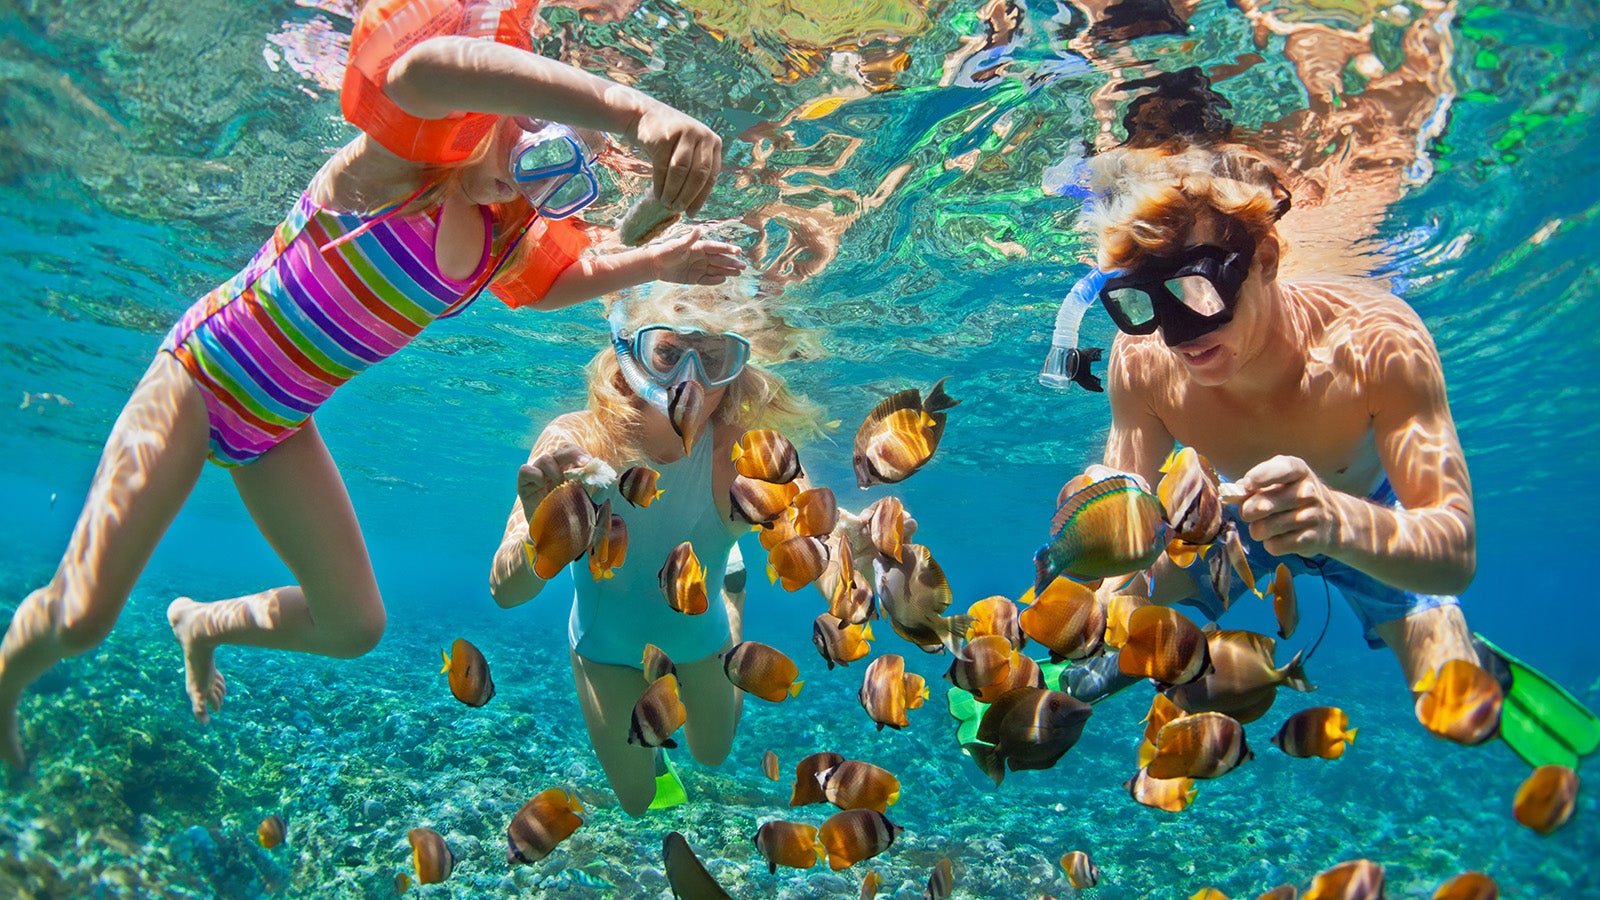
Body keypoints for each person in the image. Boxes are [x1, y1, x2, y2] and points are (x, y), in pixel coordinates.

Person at [0, 0, 747, 771]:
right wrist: (633, 111)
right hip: (199, 376)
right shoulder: (399, 167)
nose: (532, 174)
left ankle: (202, 624)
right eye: (535, 138)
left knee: (353, 625)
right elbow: (424, 69)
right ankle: (4, 684)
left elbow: (559, 283)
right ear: (507, 99)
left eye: (563, 179)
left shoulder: (499, 234)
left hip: (278, 427)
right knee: (83, 616)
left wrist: (656, 262)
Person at [1073, 140, 1479, 697]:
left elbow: (1456, 554)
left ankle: (1453, 645)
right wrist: (1099, 601)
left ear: (1264, 261)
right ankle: (1150, 651)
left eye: (1200, 289)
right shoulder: (1141, 360)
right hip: (1226, 521)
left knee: (1453, 704)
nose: (1177, 336)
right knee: (1104, 618)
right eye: (1142, 301)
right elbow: (1126, 537)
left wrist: (1337, 522)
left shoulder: (1377, 339)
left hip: (1368, 513)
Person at [487, 276, 823, 815]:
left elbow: (814, 532)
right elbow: (505, 592)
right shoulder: (577, 441)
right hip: (605, 647)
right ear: (630, 354)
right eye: (667, 354)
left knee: (712, 753)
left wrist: (856, 549)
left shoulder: (745, 450)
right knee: (639, 800)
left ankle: (731, 599)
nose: (688, 380)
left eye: (711, 359)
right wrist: (539, 533)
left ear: (736, 371)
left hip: (700, 632)